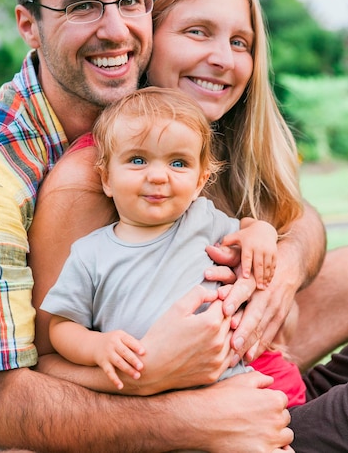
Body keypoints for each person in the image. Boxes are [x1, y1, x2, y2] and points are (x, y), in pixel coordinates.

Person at [0, 0, 294, 453]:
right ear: (29, 23)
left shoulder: (145, 121)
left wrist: (280, 261)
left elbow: (295, 216)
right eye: (81, 6)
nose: (114, 29)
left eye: (129, 1)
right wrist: (193, 415)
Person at [29, 0, 348, 451]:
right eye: (197, 32)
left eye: (240, 41)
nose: (222, 58)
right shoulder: (91, 181)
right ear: (147, 37)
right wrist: (150, 379)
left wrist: (278, 254)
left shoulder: (214, 151)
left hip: (270, 383)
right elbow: (48, 366)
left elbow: (294, 213)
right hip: (227, 422)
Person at [40, 86, 284, 392]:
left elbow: (247, 229)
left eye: (178, 163)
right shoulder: (90, 253)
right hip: (149, 401)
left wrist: (262, 231)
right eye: (138, 160)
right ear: (107, 179)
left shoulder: (203, 220)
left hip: (228, 385)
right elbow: (61, 327)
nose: (158, 176)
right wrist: (97, 345)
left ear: (199, 182)